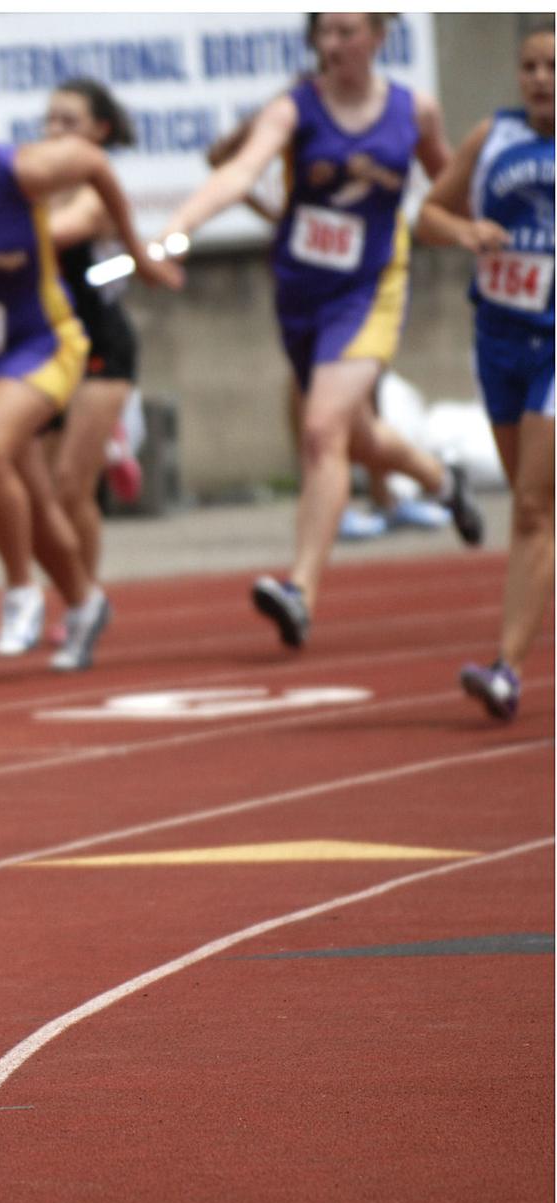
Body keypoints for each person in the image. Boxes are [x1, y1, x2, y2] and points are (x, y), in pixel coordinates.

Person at [160, 12, 485, 648]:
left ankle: (300, 590)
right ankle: (444, 481)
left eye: (346, 32)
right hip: (302, 291)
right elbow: (240, 170)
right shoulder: (295, 107)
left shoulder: (412, 111)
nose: (332, 46)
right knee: (356, 435)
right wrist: (178, 229)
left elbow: (449, 187)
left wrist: (497, 229)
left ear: (379, 35)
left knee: (320, 431)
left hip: (370, 289)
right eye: (324, 34)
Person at [0, 77, 182, 669]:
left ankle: (20, 589)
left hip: (40, 340)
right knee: (34, 497)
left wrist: (139, 252)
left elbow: (95, 161)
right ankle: (82, 600)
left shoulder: (20, 173)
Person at [416, 25, 555, 720]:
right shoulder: (491, 136)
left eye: (552, 66)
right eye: (529, 66)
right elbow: (427, 214)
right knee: (533, 512)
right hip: (498, 335)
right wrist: (465, 231)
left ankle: (505, 670)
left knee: (534, 507)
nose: (539, 79)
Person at [40, 77, 144, 587]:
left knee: (69, 487)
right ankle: (72, 595)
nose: (55, 131)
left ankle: (85, 596)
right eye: (50, 120)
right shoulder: (36, 188)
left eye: (70, 122)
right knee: (40, 490)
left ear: (100, 131)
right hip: (47, 350)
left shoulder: (96, 192)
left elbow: (60, 232)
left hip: (102, 347)